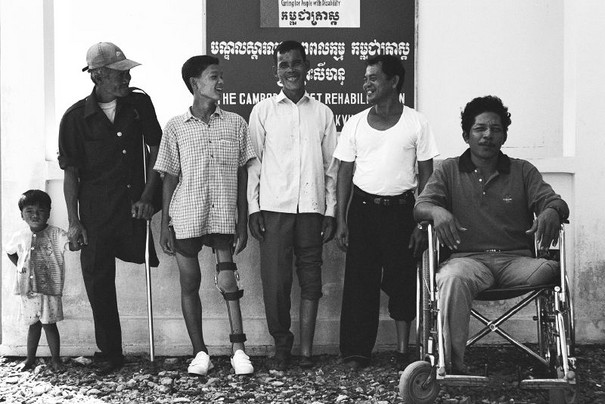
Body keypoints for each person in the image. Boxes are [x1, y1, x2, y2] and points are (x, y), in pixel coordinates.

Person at [414, 95, 569, 374]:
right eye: (480, 129)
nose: (488, 135)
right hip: (467, 261)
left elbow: (554, 201)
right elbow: (420, 206)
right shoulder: (448, 170)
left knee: (554, 272)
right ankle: (452, 368)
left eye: (496, 129)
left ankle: (560, 363)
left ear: (504, 134)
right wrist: (436, 213)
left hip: (518, 262)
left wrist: (552, 211)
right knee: (449, 279)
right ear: (466, 135)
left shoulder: (523, 171)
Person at [58, 42, 163, 374]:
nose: (127, 77)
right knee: (98, 279)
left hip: (134, 205)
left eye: (128, 71)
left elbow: (157, 147)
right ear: (99, 76)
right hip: (96, 211)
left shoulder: (139, 104)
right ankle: (111, 352)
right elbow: (71, 174)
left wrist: (149, 196)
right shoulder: (75, 118)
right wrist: (74, 222)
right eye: (120, 73)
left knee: (144, 259)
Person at [333, 55, 439, 370]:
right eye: (365, 78)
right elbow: (343, 175)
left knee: (403, 279)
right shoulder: (354, 123)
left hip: (402, 212)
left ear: (393, 82)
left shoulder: (416, 123)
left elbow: (428, 178)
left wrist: (421, 224)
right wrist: (341, 220)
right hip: (363, 212)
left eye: (373, 78)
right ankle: (356, 352)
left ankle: (403, 350)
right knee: (359, 283)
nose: (366, 84)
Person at [154, 55, 256, 376]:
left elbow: (242, 175)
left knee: (228, 279)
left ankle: (239, 350)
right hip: (186, 215)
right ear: (195, 83)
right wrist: (164, 225)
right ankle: (200, 352)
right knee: (190, 282)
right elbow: (169, 176)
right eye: (214, 77)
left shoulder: (237, 123)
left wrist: (243, 219)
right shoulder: (175, 127)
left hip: (224, 214)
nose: (221, 82)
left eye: (220, 76)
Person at [247, 40, 338, 370]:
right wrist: (253, 208)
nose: (291, 70)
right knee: (275, 282)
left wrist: (330, 211)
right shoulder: (263, 111)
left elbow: (332, 168)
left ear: (307, 67)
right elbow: (253, 163)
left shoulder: (323, 113)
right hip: (274, 209)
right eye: (284, 65)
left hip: (312, 210)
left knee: (311, 279)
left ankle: (306, 351)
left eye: (296, 63)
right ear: (276, 72)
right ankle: (282, 344)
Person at [5, 190, 78, 372]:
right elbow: (10, 251)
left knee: (49, 324)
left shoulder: (57, 234)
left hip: (49, 289)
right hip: (27, 290)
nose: (35, 215)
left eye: (40, 210)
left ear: (49, 212)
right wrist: (21, 267)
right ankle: (30, 359)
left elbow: (72, 246)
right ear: (22, 214)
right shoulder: (20, 236)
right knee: (33, 325)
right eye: (29, 211)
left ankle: (56, 360)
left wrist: (79, 234)